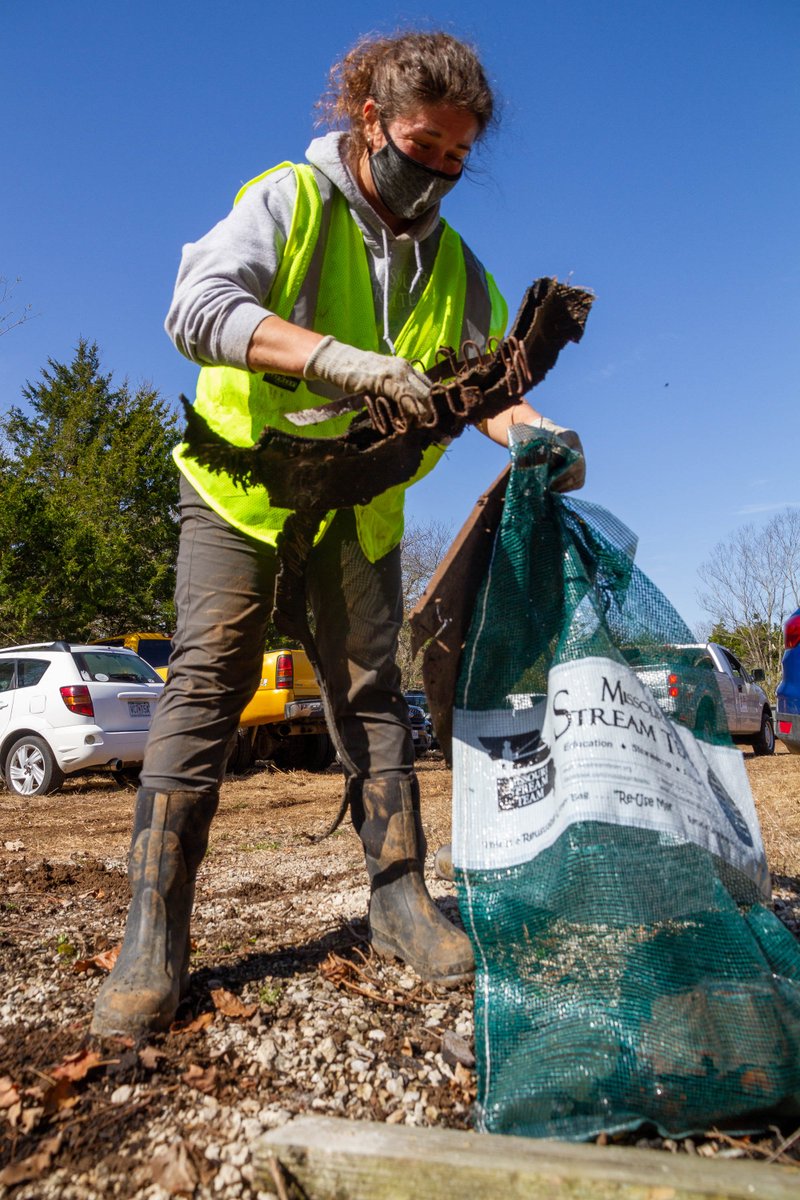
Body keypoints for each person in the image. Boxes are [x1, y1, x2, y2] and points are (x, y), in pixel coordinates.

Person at [91, 30, 585, 1038]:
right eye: (420, 144)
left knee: (367, 690)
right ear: (369, 121)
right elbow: (196, 308)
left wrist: (536, 434)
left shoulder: (453, 265)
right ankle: (154, 925)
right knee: (210, 679)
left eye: (455, 157)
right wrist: (341, 362)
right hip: (245, 490)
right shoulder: (290, 201)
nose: (436, 171)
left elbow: (479, 386)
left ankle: (398, 899)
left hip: (358, 507)